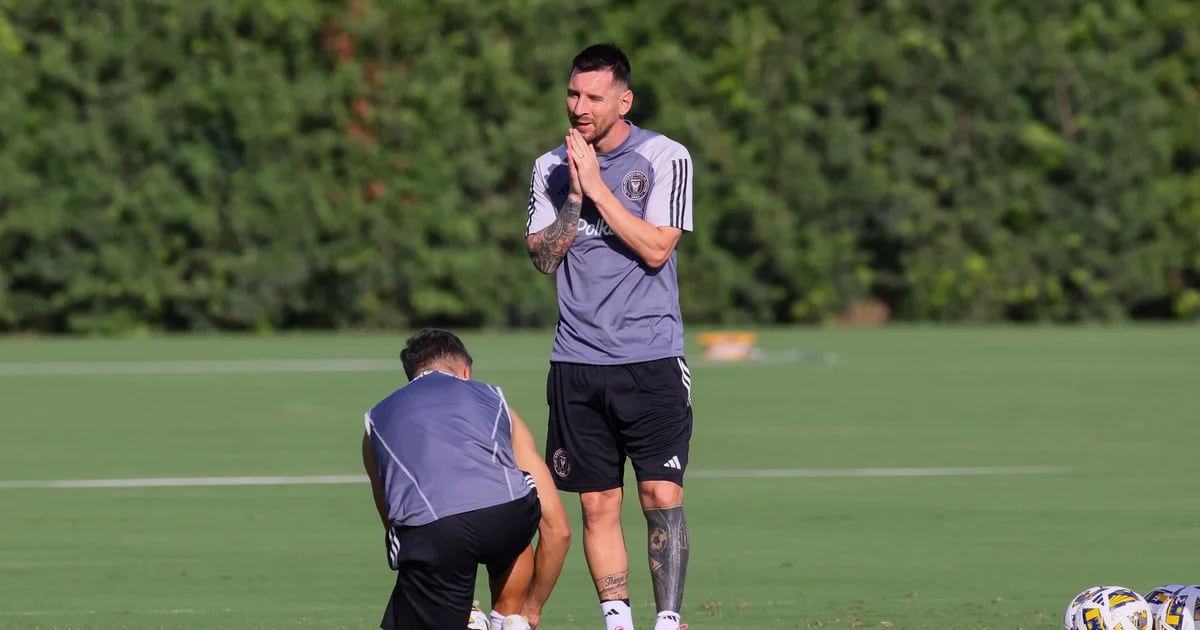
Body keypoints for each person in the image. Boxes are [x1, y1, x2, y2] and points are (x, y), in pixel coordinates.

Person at [524, 42, 694, 630]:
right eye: (573, 94)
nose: (579, 107)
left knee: (660, 498)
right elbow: (544, 259)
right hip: (575, 361)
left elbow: (655, 248)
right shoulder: (550, 168)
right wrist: (574, 191)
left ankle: (668, 621)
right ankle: (617, 622)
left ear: (624, 100)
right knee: (597, 503)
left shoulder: (666, 156)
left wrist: (598, 188)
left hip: (651, 358)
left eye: (593, 96)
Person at [361, 328, 571, 630]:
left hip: (434, 532)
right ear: (465, 371)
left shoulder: (375, 422)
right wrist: (532, 609)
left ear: (411, 377)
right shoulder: (495, 400)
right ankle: (509, 618)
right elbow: (558, 530)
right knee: (513, 508)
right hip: (506, 519)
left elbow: (396, 522)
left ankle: (471, 618)